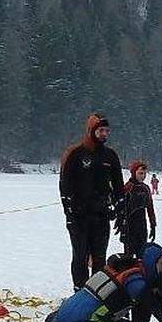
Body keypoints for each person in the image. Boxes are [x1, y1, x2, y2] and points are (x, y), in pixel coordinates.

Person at [0, 243, 162, 322]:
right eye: (161, 263)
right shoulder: (137, 282)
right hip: (86, 319)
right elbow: (155, 309)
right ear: (152, 263)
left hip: (68, 308)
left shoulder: (125, 269)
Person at [59, 113, 124, 292]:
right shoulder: (75, 154)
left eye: (107, 131)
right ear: (91, 130)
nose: (104, 134)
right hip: (79, 216)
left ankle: (95, 294)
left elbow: (119, 186)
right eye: (101, 130)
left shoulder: (110, 156)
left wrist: (119, 211)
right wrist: (69, 213)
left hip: (101, 215)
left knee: (99, 258)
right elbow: (65, 185)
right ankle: (79, 291)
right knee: (80, 256)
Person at [116, 160, 156, 257]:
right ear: (134, 173)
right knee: (128, 256)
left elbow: (150, 208)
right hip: (129, 226)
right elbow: (120, 209)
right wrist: (121, 225)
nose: (143, 176)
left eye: (144, 174)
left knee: (141, 254)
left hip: (142, 225)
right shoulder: (127, 188)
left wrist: (153, 225)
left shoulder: (145, 188)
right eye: (140, 173)